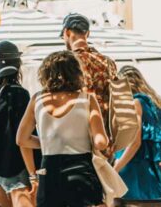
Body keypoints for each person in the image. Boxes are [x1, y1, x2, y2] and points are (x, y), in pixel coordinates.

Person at [17, 50, 108, 207]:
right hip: (81, 170)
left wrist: (48, 142)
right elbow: (101, 143)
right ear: (76, 72)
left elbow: (21, 139)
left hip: (49, 171)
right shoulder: (87, 99)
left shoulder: (37, 100)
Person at [0, 41, 36, 207]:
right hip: (15, 168)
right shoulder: (20, 94)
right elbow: (22, 139)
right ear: (18, 65)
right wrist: (32, 174)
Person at [113, 66, 161, 200]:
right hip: (156, 174)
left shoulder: (136, 103)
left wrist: (115, 168)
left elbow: (135, 142)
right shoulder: (158, 105)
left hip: (134, 170)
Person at [60, 13, 118, 134]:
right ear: (88, 34)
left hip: (78, 135)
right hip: (106, 136)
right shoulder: (108, 62)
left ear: (67, 32)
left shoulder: (65, 63)